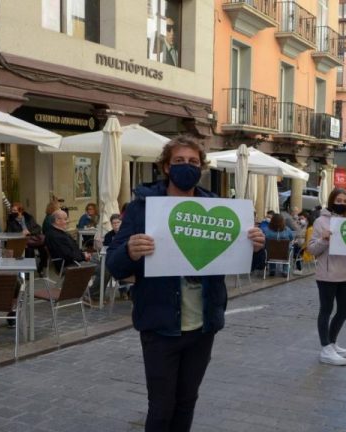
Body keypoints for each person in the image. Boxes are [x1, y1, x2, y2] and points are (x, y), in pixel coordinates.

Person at [106, 135, 265, 430]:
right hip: (159, 324)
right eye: (179, 161)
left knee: (187, 400)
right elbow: (114, 265)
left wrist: (257, 247)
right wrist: (129, 250)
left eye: (193, 162)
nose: (186, 166)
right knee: (161, 406)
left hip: (202, 325)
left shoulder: (218, 208)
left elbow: (250, 262)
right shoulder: (143, 208)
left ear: (202, 168)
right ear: (166, 167)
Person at [307, 188, 346, 366]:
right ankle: (325, 348)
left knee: (345, 310)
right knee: (326, 310)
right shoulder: (321, 221)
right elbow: (311, 249)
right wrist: (324, 239)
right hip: (327, 274)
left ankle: (332, 342)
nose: (342, 204)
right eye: (339, 200)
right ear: (331, 200)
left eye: (345, 201)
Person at [6, 202, 47, 274]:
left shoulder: (29, 218)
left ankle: (41, 267)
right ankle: (28, 272)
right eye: (12, 210)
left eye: (15, 211)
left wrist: (29, 231)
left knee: (44, 249)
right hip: (21, 240)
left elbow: (38, 228)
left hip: (32, 239)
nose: (13, 212)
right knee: (29, 249)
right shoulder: (11, 220)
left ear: (21, 211)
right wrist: (21, 234)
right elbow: (9, 232)